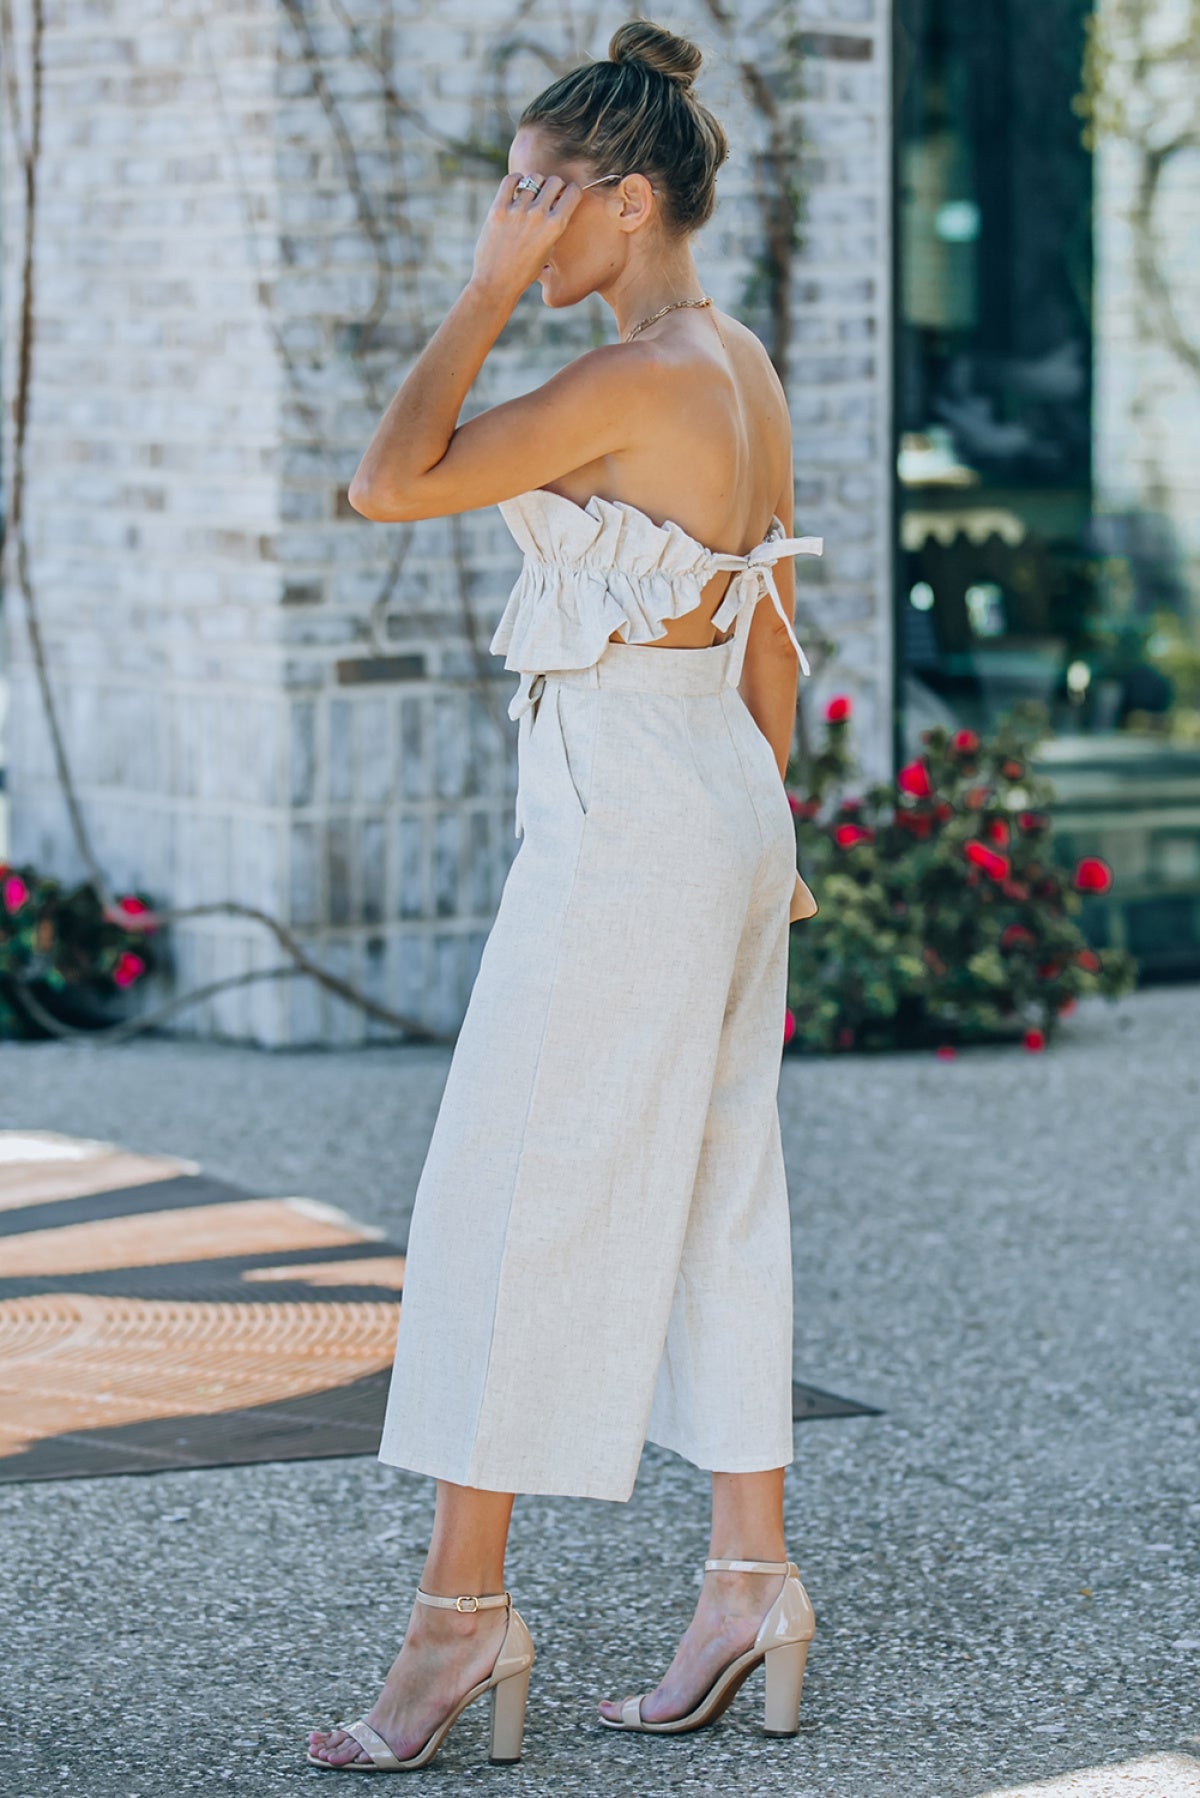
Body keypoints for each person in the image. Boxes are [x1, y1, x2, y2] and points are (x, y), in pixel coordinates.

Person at [306, 19, 821, 1773]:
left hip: (633, 816)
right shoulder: (730, 359)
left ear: (619, 200)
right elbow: (770, 638)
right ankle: (749, 1579)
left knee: (508, 1199)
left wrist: (479, 289)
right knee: (714, 1185)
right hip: (716, 798)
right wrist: (774, 851)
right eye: (505, 194)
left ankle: (461, 1621)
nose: (512, 216)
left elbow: (386, 480)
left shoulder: (630, 380)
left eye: (537, 193)